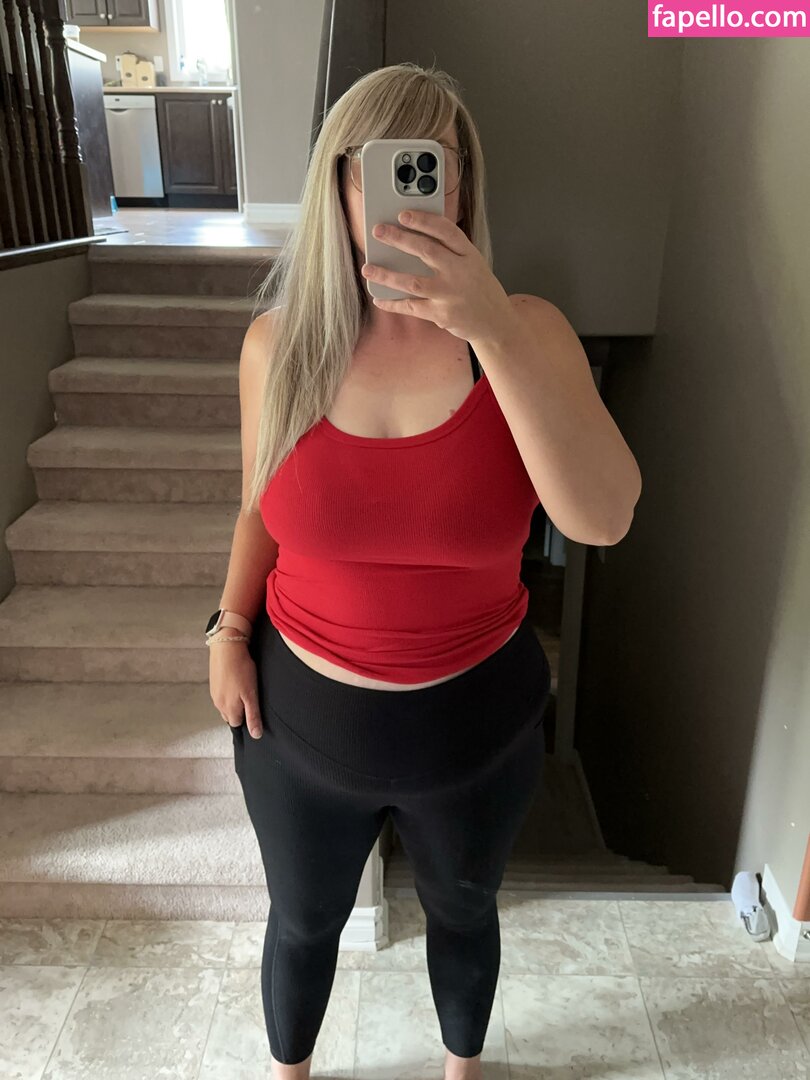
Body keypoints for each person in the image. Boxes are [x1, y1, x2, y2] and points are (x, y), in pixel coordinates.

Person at [207, 61, 641, 1080]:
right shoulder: (278, 348)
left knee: (464, 911)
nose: (409, 189)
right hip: (299, 725)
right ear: (339, 185)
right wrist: (229, 627)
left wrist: (489, 328)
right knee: (302, 922)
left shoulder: (526, 334)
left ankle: (462, 1071)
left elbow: (603, 518)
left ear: (464, 186)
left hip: (476, 729)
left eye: (432, 165)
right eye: (382, 165)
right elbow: (261, 505)